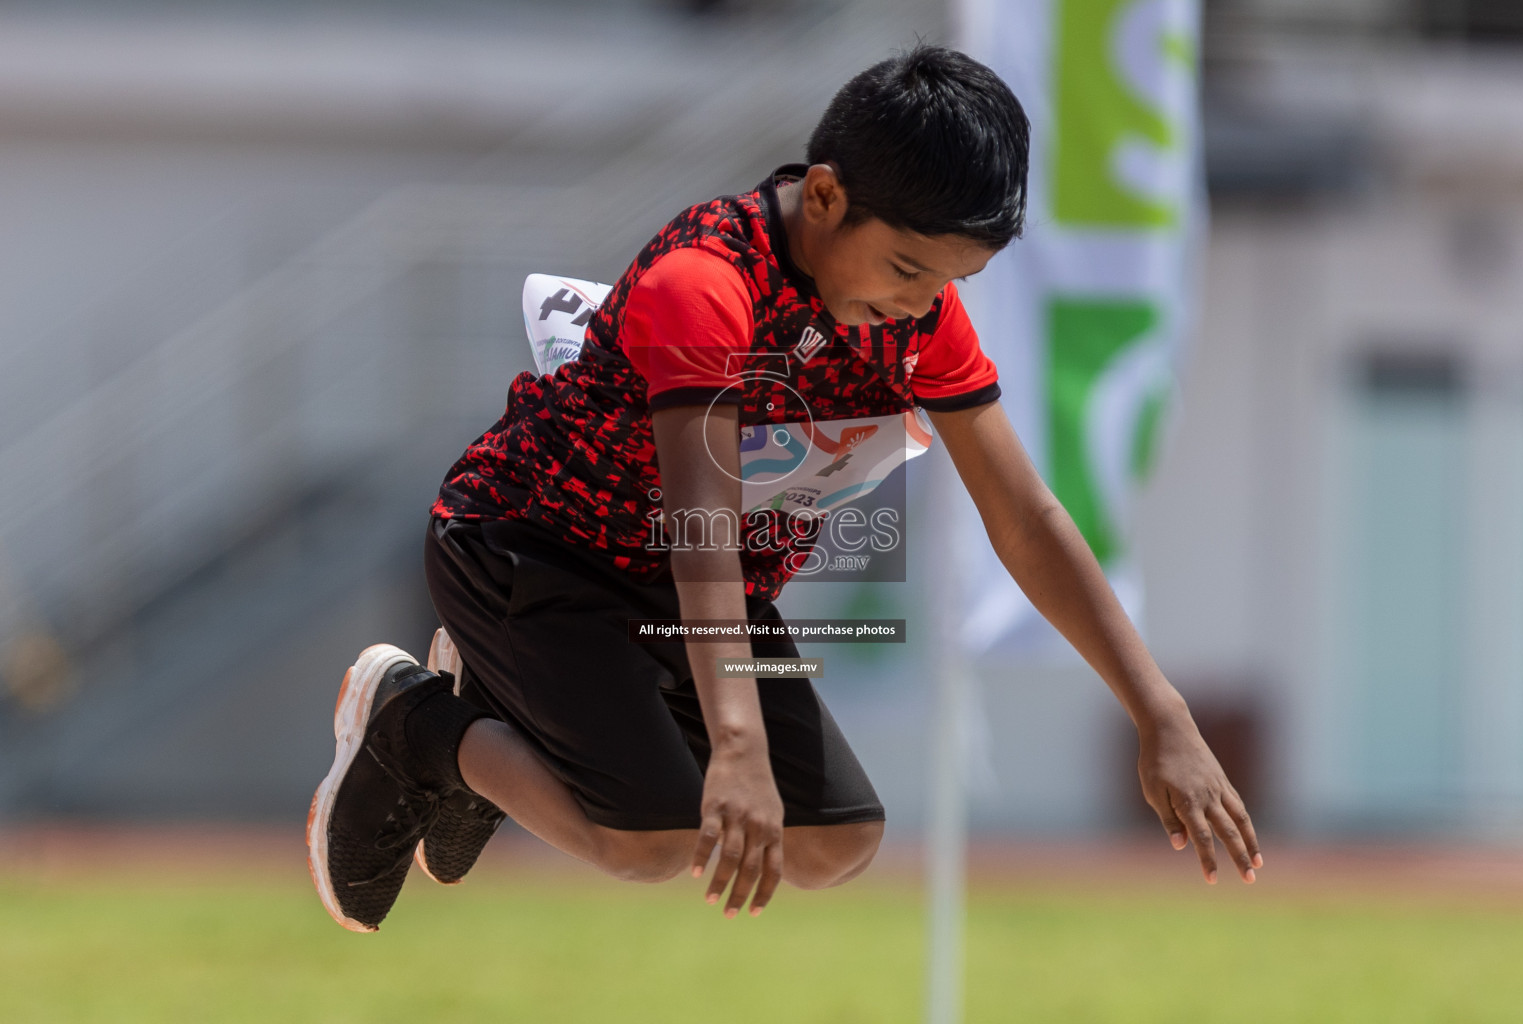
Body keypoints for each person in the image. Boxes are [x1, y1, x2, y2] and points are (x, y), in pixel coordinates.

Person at [305, 44, 1261, 934]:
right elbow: (702, 521)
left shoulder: (919, 318)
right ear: (829, 197)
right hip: (532, 548)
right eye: (907, 269)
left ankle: (503, 700)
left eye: (947, 283)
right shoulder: (705, 280)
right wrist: (736, 744)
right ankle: (417, 724)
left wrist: (1159, 711)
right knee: (655, 839)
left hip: (692, 592)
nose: (922, 305)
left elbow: (1024, 515)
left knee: (836, 839)